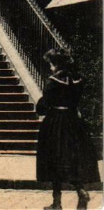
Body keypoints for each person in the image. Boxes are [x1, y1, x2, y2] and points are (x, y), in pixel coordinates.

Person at [36, 49, 100, 210]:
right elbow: (76, 100)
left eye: (51, 64)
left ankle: (57, 203)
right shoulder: (77, 79)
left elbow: (43, 105)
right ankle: (81, 191)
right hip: (73, 122)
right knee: (71, 161)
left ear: (56, 64)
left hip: (56, 123)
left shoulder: (53, 81)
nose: (50, 68)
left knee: (54, 160)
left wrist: (41, 106)